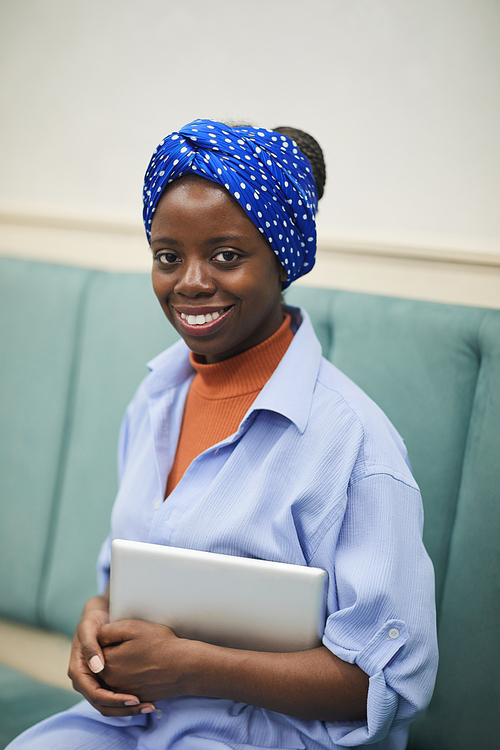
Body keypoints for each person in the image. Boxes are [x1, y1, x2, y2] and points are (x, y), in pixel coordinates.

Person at [8, 119, 437, 749]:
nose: (191, 282)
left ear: (283, 259)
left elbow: (385, 682)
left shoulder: (355, 446)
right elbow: (126, 579)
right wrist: (94, 623)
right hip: (142, 718)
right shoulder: (156, 398)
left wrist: (194, 667)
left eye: (226, 255)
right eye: (168, 256)